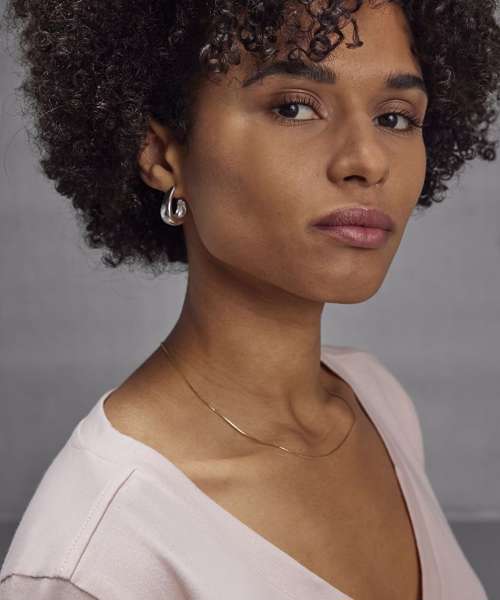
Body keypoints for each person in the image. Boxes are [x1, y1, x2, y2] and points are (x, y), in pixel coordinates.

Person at [1, 0, 498, 598]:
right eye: (294, 108)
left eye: (395, 118)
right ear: (161, 152)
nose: (367, 161)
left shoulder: (377, 402)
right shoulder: (101, 557)